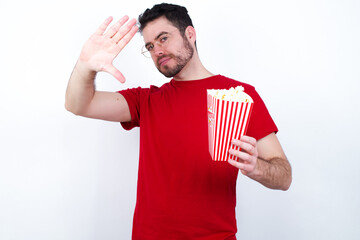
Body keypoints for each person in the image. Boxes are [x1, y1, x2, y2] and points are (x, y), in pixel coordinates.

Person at [65, 3, 292, 240]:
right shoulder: (146, 101)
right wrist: (85, 67)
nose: (157, 51)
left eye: (163, 38)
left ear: (190, 34)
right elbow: (79, 104)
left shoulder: (239, 96)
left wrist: (257, 168)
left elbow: (284, 176)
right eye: (150, 46)